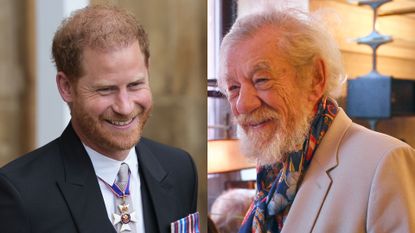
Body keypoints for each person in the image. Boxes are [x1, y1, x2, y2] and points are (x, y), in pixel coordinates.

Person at [0, 5, 198, 233]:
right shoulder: (20, 194)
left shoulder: (181, 169)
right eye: (105, 90)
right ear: (66, 87)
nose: (124, 107)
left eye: (135, 85)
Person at [218, 7, 415, 233]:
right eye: (233, 88)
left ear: (315, 79)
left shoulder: (385, 162)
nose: (243, 104)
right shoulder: (271, 172)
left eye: (261, 80)